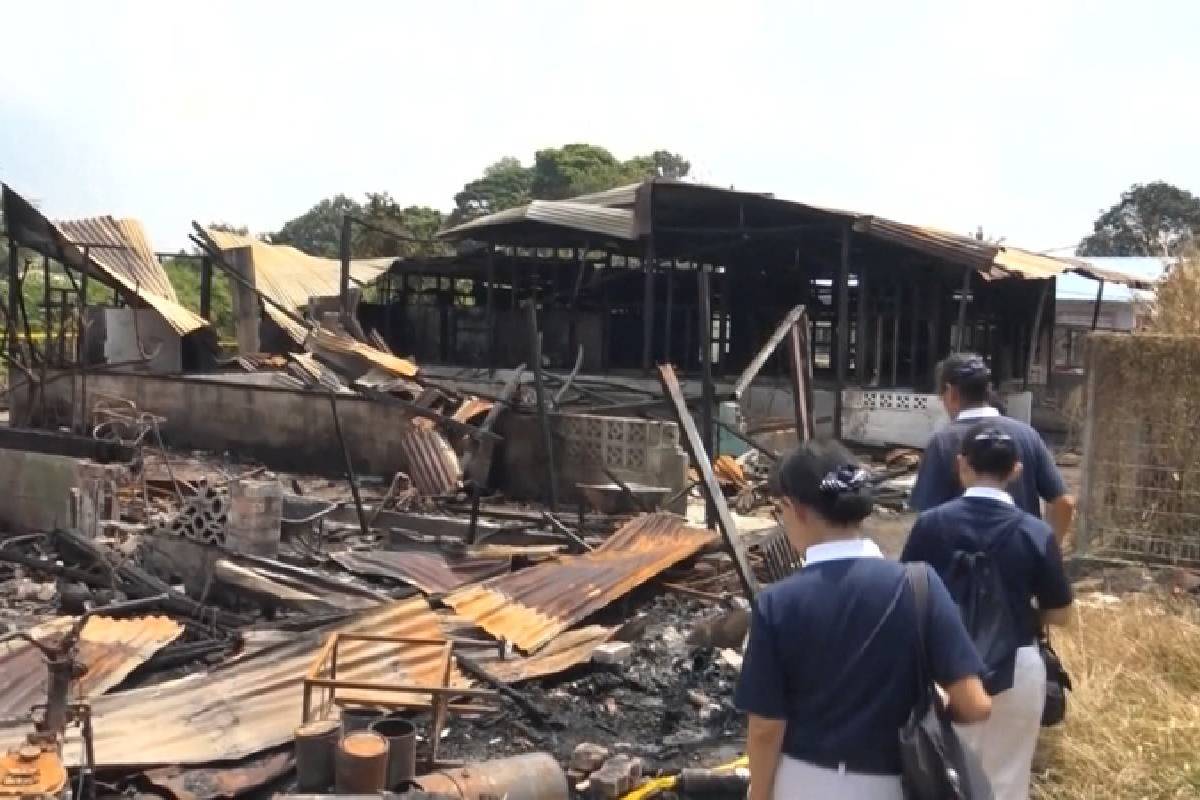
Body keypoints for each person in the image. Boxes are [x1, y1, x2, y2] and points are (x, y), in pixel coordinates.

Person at [736, 440, 991, 800]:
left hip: (802, 782)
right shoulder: (920, 586)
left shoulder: (777, 603)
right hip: (895, 783)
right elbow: (976, 704)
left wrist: (759, 793)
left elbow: (765, 727)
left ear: (794, 509)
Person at [901, 425, 1074, 800]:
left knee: (939, 779)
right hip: (1017, 666)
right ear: (1016, 470)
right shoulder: (1034, 532)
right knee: (1007, 783)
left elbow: (907, 593)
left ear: (962, 465)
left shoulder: (931, 525)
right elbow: (1061, 612)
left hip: (942, 673)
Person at [911, 352, 1076, 547]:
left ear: (951, 392)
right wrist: (1047, 552)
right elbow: (1065, 503)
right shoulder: (1026, 435)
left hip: (961, 569)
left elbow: (926, 518)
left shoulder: (942, 442)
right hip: (1019, 565)